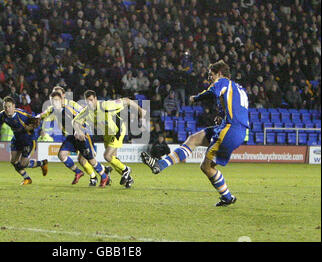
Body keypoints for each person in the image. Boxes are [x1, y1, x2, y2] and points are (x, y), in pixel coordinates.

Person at [141, 60, 249, 206]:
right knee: (193, 140)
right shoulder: (239, 88)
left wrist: (196, 98)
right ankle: (160, 164)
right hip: (232, 128)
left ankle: (227, 197)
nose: (209, 78)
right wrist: (222, 116)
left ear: (220, 73)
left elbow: (213, 91)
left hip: (229, 130)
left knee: (206, 167)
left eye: (211, 75)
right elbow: (237, 110)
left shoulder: (223, 82)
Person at [38, 86, 111, 187]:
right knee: (62, 155)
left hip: (82, 135)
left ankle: (104, 176)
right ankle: (78, 172)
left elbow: (82, 117)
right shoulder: (52, 110)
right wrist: (34, 119)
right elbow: (42, 115)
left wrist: (79, 130)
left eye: (56, 100)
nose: (54, 103)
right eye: (52, 101)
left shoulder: (69, 108)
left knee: (90, 160)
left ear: (62, 98)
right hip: (71, 137)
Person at [73, 90, 147, 188]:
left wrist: (140, 110)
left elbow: (126, 100)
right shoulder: (87, 111)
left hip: (118, 131)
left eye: (91, 100)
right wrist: (78, 130)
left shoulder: (106, 106)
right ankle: (128, 179)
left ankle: (126, 169)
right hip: (107, 134)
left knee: (107, 156)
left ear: (95, 99)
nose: (89, 103)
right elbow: (75, 122)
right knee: (113, 159)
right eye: (87, 101)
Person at [0, 96, 48, 186]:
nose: (7, 109)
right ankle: (27, 178)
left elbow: (36, 121)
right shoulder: (2, 115)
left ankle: (42, 163)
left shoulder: (22, 114)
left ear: (13, 106)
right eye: (5, 107)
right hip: (17, 139)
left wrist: (34, 127)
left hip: (28, 140)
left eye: (9, 107)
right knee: (13, 161)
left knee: (23, 164)